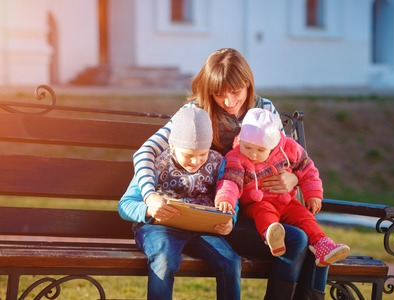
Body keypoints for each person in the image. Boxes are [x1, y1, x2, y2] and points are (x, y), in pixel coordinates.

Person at [131, 48, 330, 299]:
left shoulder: (265, 109)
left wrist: (295, 177)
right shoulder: (197, 113)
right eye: (219, 94)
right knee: (296, 240)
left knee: (311, 244)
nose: (228, 101)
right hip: (222, 213)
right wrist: (149, 197)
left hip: (265, 206)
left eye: (235, 92)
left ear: (248, 84)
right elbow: (145, 152)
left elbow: (286, 154)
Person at [118, 106, 241, 300]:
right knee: (165, 259)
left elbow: (229, 195)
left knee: (230, 261)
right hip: (158, 229)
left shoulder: (217, 162)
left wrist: (230, 218)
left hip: (201, 228)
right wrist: (149, 209)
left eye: (202, 154)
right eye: (188, 155)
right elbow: (125, 204)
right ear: (172, 146)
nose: (196, 161)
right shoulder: (156, 163)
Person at [215, 108, 350, 267]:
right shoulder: (236, 157)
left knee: (303, 216)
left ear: (272, 146)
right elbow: (231, 181)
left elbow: (307, 169)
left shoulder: (290, 149)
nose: (253, 154)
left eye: (260, 150)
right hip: (256, 202)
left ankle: (322, 245)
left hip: (285, 200)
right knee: (264, 211)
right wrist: (226, 199)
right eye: (248, 147)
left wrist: (313, 194)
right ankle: (272, 236)